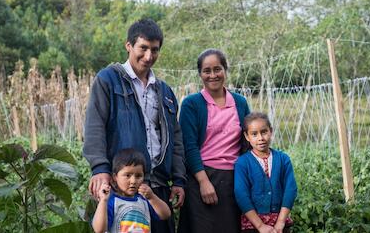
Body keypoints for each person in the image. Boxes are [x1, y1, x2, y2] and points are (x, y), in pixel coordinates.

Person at [83, 18, 186, 233]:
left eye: (155, 50)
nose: (149, 56)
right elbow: (95, 126)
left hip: (156, 185)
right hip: (123, 186)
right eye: (143, 48)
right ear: (128, 46)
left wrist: (178, 179)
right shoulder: (108, 80)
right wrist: (100, 168)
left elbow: (175, 139)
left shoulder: (164, 91)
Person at [178, 48, 250, 233]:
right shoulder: (192, 104)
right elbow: (190, 146)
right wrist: (203, 182)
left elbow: (247, 142)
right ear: (200, 74)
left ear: (225, 70)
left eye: (217, 69)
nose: (213, 75)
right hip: (202, 178)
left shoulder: (240, 102)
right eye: (206, 71)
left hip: (234, 180)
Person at [234, 112, 297, 233]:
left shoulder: (283, 159)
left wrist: (281, 222)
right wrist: (260, 226)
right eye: (254, 134)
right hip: (253, 225)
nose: (261, 138)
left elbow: (290, 190)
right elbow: (241, 195)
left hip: (280, 225)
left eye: (264, 132)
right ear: (247, 136)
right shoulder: (242, 163)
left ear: (271, 131)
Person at [92, 148, 171, 233]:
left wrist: (152, 197)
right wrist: (103, 201)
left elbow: (166, 215)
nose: (133, 181)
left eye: (138, 176)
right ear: (115, 177)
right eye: (127, 175)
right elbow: (99, 230)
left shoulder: (144, 200)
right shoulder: (112, 202)